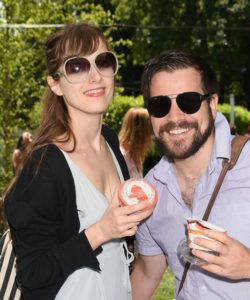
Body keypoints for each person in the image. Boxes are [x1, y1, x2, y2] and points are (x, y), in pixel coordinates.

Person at [130, 49, 250, 300]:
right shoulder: (151, 189)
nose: (175, 117)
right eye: (160, 105)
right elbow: (147, 272)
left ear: (211, 103)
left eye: (188, 101)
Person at [4, 23, 153, 300]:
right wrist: (100, 231)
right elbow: (33, 272)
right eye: (77, 67)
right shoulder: (45, 166)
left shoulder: (109, 141)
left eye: (103, 62)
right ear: (55, 84)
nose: (95, 76)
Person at [119, 107, 153, 178]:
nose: (152, 134)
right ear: (141, 132)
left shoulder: (136, 156)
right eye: (150, 129)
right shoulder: (121, 156)